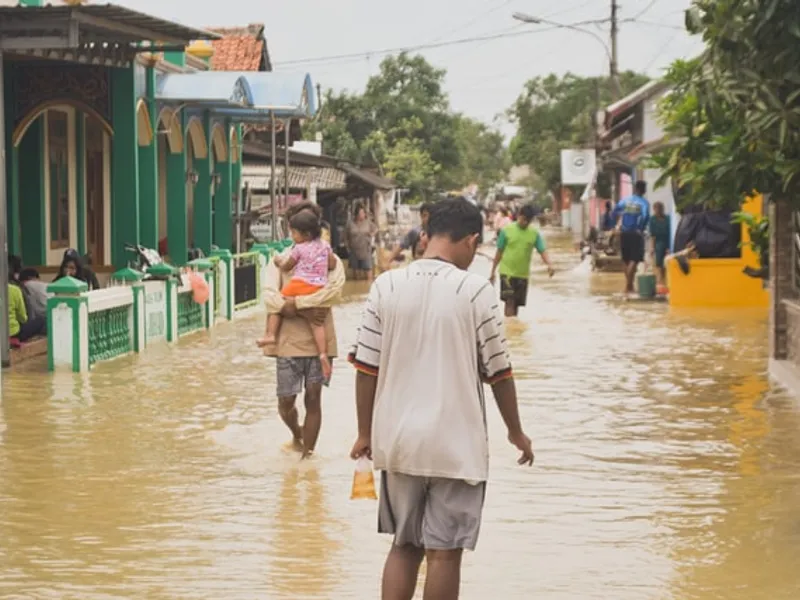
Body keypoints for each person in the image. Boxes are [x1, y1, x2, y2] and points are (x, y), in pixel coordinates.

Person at [349, 197, 534, 600]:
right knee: (445, 554)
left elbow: (366, 369)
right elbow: (500, 374)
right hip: (456, 445)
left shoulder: (386, 285)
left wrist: (364, 433)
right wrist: (516, 432)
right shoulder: (477, 293)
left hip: (397, 440)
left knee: (404, 544)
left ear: (428, 234)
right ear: (470, 240)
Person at [260, 201, 345, 459]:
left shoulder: (331, 258)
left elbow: (335, 291)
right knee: (286, 401)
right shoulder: (283, 259)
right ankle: (298, 435)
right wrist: (303, 307)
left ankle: (308, 455)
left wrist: (294, 305)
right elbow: (269, 297)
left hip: (320, 337)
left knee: (314, 396)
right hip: (288, 340)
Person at [258, 208, 336, 381]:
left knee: (277, 304)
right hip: (318, 287)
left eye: (293, 232)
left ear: (305, 233)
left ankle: (270, 334)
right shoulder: (325, 246)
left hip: (300, 285)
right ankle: (323, 354)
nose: (291, 236)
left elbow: (286, 267)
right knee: (317, 324)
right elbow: (332, 265)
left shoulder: (298, 249)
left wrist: (278, 261)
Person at [490, 203, 555, 318]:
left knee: (516, 305)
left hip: (523, 274)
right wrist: (493, 271)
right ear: (519, 216)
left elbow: (542, 250)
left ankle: (514, 331)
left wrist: (549, 264)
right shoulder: (506, 231)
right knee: (509, 302)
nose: (524, 223)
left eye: (528, 221)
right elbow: (499, 252)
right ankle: (510, 330)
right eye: (523, 219)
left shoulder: (534, 234)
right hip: (507, 273)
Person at [613, 180, 651, 295]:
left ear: (635, 189)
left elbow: (615, 211)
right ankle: (627, 286)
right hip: (636, 233)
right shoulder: (643, 203)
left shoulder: (625, 201)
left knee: (626, 259)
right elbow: (645, 216)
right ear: (643, 190)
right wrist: (641, 227)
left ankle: (630, 286)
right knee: (634, 259)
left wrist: (619, 225)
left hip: (624, 233)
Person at [346, 204, 378, 281]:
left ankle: (368, 287)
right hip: (354, 250)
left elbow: (376, 228)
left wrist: (372, 234)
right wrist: (348, 247)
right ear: (356, 215)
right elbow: (346, 236)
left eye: (363, 213)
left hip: (366, 249)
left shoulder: (368, 222)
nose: (362, 215)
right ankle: (357, 289)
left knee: (368, 269)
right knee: (356, 272)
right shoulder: (350, 224)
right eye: (360, 213)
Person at [649, 201, 671, 290]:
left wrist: (669, 246)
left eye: (660, 209)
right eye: (656, 209)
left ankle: (665, 280)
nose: (658, 211)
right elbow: (652, 235)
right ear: (654, 210)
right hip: (658, 243)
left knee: (667, 262)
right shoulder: (652, 220)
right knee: (659, 263)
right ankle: (661, 280)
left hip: (667, 241)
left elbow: (670, 232)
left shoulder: (668, 219)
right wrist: (652, 247)